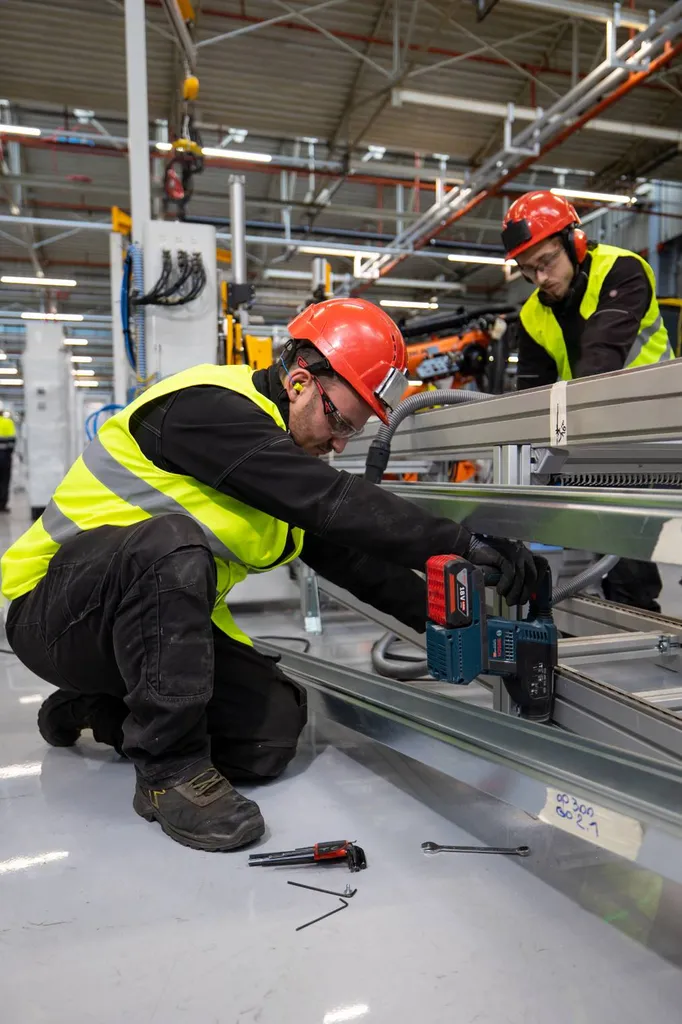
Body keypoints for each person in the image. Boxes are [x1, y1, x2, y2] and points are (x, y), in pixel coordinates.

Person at [1, 297, 536, 853]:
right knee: (172, 541)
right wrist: (462, 542)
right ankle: (168, 773)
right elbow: (331, 501)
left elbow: (361, 563)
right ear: (301, 380)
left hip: (138, 635)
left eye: (350, 433)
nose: (337, 444)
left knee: (272, 733)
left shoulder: (279, 458)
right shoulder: (208, 409)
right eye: (338, 421)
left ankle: (102, 706)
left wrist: (475, 636)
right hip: (54, 615)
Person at [502, 190, 673, 613]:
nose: (539, 278)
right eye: (527, 270)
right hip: (596, 436)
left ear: (574, 242)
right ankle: (627, 620)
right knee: (612, 551)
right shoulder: (530, 315)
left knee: (639, 542)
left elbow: (601, 358)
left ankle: (642, 627)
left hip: (659, 427)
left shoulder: (622, 271)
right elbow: (532, 397)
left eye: (545, 262)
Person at [0, 408, 16, 512]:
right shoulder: (8, 422)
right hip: (5, 456)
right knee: (5, 481)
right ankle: (2, 505)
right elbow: (13, 441)